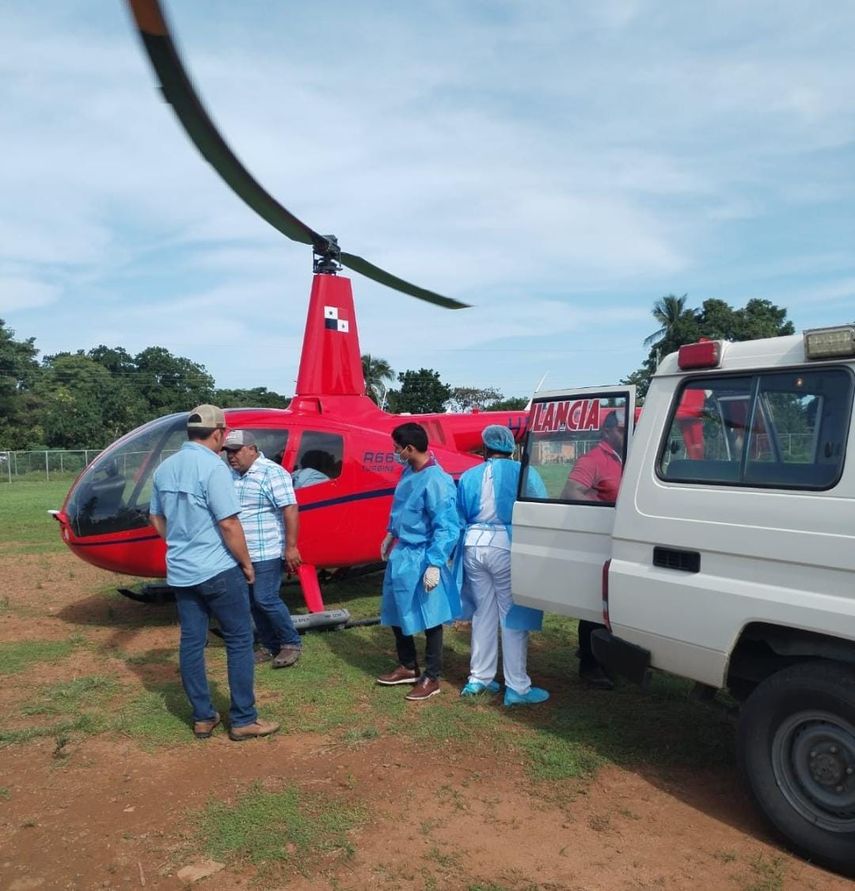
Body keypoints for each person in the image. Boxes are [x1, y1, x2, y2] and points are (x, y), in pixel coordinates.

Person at [149, 405, 280, 741]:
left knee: (192, 642)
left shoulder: (164, 469)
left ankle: (203, 717)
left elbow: (156, 519)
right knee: (239, 640)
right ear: (220, 433)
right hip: (219, 569)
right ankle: (243, 719)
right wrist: (247, 564)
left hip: (181, 571)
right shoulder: (214, 468)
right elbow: (229, 523)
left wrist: (179, 543)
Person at [457, 425, 550, 706]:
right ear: (511, 446)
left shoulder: (469, 475)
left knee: (482, 614)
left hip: (472, 545)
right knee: (512, 617)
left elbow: (459, 512)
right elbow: (541, 507)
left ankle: (479, 679)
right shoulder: (524, 472)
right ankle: (517, 687)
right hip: (506, 545)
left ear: (485, 447)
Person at [376, 422, 461, 701]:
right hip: (403, 552)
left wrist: (436, 563)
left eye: (397, 449)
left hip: (424, 555)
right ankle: (408, 665)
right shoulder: (408, 471)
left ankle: (432, 676)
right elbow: (401, 509)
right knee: (396, 608)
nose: (395, 452)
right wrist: (391, 532)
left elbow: (447, 526)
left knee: (430, 615)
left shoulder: (437, 480)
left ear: (410, 448)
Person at [223, 429, 304, 669]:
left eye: (236, 451)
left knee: (265, 598)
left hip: (266, 549)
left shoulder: (273, 472)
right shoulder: (232, 475)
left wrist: (290, 547)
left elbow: (289, 509)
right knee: (251, 602)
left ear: (252, 449)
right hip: (241, 552)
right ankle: (268, 645)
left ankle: (290, 642)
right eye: (228, 452)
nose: (231, 456)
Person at [560, 409, 627, 690]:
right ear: (607, 432)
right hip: (598, 539)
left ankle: (605, 657)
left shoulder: (627, 457)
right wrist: (604, 509)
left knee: (615, 604)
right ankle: (588, 663)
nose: (626, 433)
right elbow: (571, 491)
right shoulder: (593, 459)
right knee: (595, 606)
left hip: (620, 541)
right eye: (623, 429)